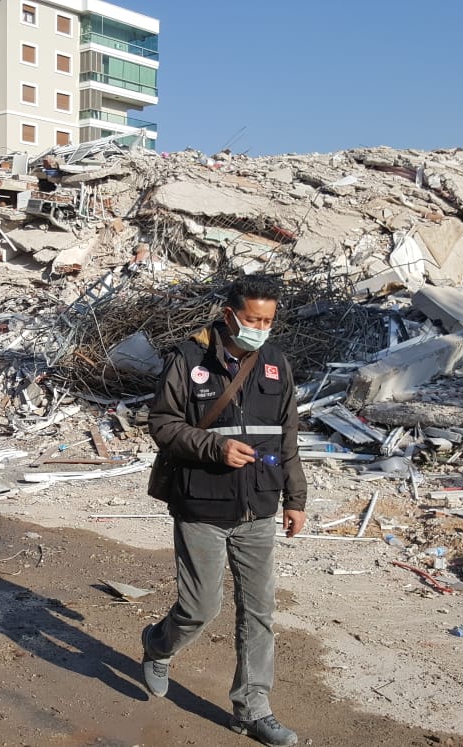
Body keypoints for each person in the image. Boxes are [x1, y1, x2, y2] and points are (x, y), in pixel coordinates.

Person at [141, 274, 307, 747]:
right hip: (201, 507)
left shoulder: (276, 363)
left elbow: (287, 436)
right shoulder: (188, 358)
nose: (261, 327)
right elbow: (162, 424)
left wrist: (295, 499)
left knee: (258, 612)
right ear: (230, 314)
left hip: (258, 506)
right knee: (200, 608)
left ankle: (252, 708)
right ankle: (157, 644)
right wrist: (214, 448)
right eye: (254, 319)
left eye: (269, 320)